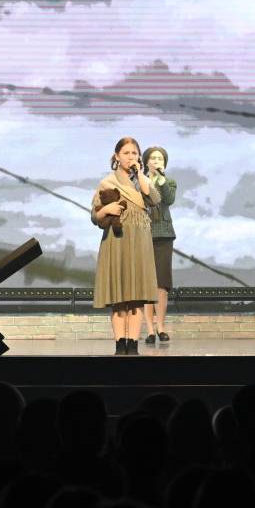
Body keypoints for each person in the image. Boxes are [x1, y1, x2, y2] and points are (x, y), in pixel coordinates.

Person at [91, 136, 159, 356]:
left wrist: (140, 174)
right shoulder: (107, 182)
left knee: (136, 297)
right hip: (116, 241)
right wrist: (106, 210)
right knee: (119, 298)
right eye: (126, 153)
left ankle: (133, 345)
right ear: (117, 156)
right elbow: (94, 216)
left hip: (140, 241)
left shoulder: (142, 181)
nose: (131, 157)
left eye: (134, 153)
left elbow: (155, 199)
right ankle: (120, 345)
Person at [143, 146, 178, 348]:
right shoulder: (138, 181)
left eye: (160, 158)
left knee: (162, 285)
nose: (157, 161)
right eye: (153, 158)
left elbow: (169, 199)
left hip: (163, 235)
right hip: (143, 235)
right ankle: (149, 329)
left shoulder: (169, 182)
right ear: (146, 161)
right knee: (147, 285)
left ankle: (161, 327)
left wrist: (161, 179)